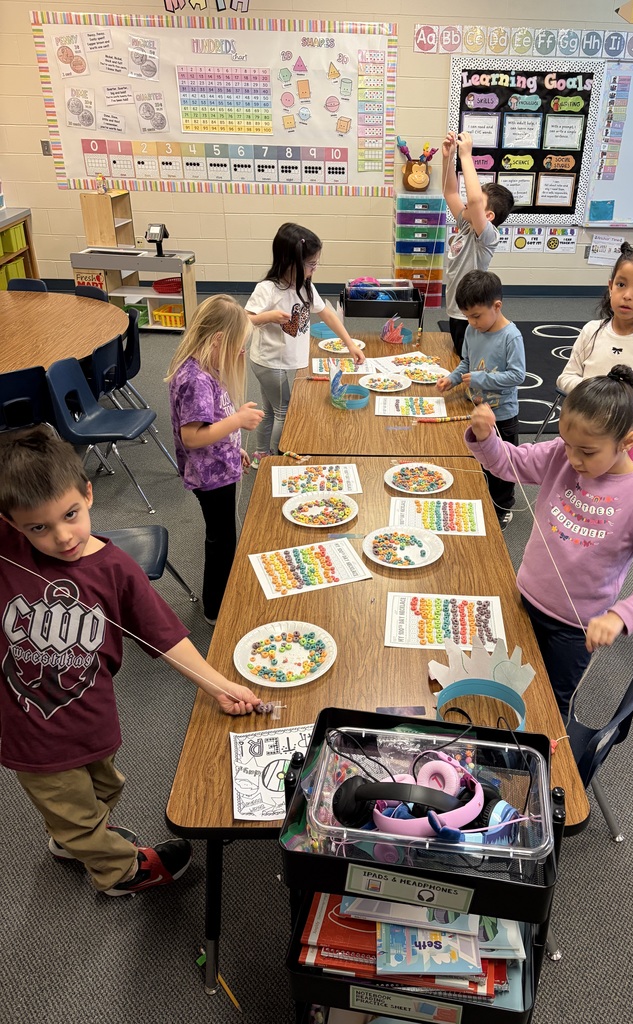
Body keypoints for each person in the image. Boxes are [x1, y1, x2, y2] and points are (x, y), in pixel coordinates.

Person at [0, 425, 262, 896]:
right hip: (31, 733)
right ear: (14, 524)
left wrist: (218, 685)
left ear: (88, 493)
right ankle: (119, 872)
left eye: (70, 514)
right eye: (38, 527)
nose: (62, 536)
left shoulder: (116, 568)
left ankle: (73, 836)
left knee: (103, 789)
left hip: (92, 718)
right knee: (74, 810)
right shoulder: (9, 549)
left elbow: (165, 637)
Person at [465, 365, 633, 715]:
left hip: (574, 629)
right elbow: (509, 464)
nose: (573, 459)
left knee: (550, 708)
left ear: (627, 442)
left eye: (587, 451)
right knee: (504, 684)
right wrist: (485, 436)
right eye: (568, 445)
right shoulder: (561, 455)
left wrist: (621, 616)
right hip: (524, 600)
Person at [166, 294, 263, 626]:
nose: (240, 354)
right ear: (218, 339)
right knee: (221, 540)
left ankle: (222, 598)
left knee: (224, 536)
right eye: (237, 347)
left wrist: (234, 446)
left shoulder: (206, 368)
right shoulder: (196, 379)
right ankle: (216, 608)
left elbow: (213, 422)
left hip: (219, 466)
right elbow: (193, 436)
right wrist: (237, 422)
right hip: (210, 478)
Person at [245, 222, 365, 457]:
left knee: (270, 410)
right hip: (269, 362)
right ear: (290, 262)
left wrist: (349, 343)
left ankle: (261, 454)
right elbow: (244, 319)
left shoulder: (305, 286)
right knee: (284, 411)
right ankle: (278, 458)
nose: (314, 269)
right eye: (311, 264)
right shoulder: (268, 289)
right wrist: (268, 317)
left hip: (279, 360)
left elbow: (327, 314)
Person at [557, 243, 633, 450]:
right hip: (580, 429)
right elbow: (565, 378)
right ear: (611, 286)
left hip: (624, 439)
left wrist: (626, 396)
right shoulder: (591, 331)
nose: (627, 295)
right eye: (621, 284)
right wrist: (595, 391)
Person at [436, 270, 525, 529]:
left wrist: (481, 379)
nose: (472, 322)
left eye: (476, 316)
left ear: (496, 306)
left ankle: (502, 506)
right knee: (480, 460)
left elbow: (517, 375)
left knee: (502, 465)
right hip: (476, 409)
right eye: (467, 317)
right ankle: (484, 499)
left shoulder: (511, 337)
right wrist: (452, 379)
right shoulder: (472, 330)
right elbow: (466, 362)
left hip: (502, 415)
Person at [441, 131, 515, 359]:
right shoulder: (466, 224)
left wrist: (466, 156)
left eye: (477, 203)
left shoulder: (487, 236)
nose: (468, 202)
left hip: (471, 314)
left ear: (488, 216)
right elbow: (449, 192)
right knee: (459, 357)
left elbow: (473, 200)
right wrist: (448, 157)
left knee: (469, 361)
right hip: (456, 309)